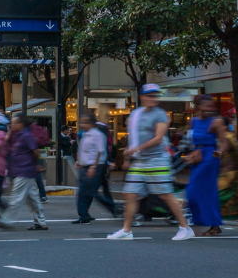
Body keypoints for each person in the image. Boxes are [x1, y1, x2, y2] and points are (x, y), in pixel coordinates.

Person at [108, 84, 193, 241]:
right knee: (130, 194)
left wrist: (136, 149)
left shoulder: (160, 115)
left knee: (165, 194)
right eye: (150, 95)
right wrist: (128, 156)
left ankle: (185, 228)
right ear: (142, 97)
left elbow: (158, 138)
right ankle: (126, 230)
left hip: (157, 160)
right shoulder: (135, 114)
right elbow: (134, 138)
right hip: (140, 161)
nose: (154, 98)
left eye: (156, 95)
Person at [184, 95, 227, 237]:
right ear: (198, 106)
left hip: (210, 157)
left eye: (211, 106)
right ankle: (211, 223)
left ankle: (214, 225)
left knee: (199, 190)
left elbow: (224, 141)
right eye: (206, 106)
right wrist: (190, 154)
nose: (209, 109)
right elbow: (190, 140)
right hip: (197, 157)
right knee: (194, 191)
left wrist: (220, 152)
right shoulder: (192, 121)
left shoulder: (216, 122)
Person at [2, 114, 48, 231]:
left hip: (24, 170)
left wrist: (35, 164)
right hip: (23, 170)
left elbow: (35, 151)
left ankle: (7, 219)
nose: (12, 125)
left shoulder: (26, 135)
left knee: (16, 197)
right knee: (33, 198)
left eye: (14, 123)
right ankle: (40, 222)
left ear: (20, 124)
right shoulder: (17, 135)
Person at [73, 114, 116, 224]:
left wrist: (93, 166)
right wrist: (79, 161)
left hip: (94, 167)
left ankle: (114, 207)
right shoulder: (85, 135)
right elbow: (83, 150)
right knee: (82, 192)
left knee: (92, 192)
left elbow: (99, 151)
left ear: (91, 123)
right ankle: (83, 215)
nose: (82, 124)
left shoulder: (98, 135)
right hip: (84, 166)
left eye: (85, 122)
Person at [30, 120, 50, 203]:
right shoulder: (39, 131)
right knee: (37, 178)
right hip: (33, 158)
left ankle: (41, 195)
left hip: (30, 158)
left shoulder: (30, 130)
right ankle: (42, 195)